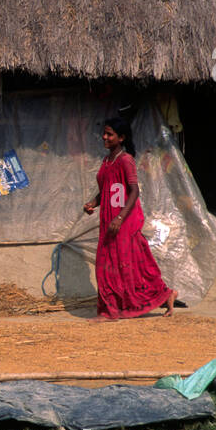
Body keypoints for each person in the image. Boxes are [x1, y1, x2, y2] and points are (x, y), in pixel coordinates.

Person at [82, 117, 177, 319]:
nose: (104, 137)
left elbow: (134, 191)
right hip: (108, 220)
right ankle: (162, 295)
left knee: (124, 265)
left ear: (121, 138)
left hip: (123, 221)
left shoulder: (126, 160)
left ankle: (112, 310)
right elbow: (107, 191)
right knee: (110, 264)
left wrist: (119, 218)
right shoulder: (107, 161)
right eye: (105, 133)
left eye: (110, 134)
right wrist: (93, 203)